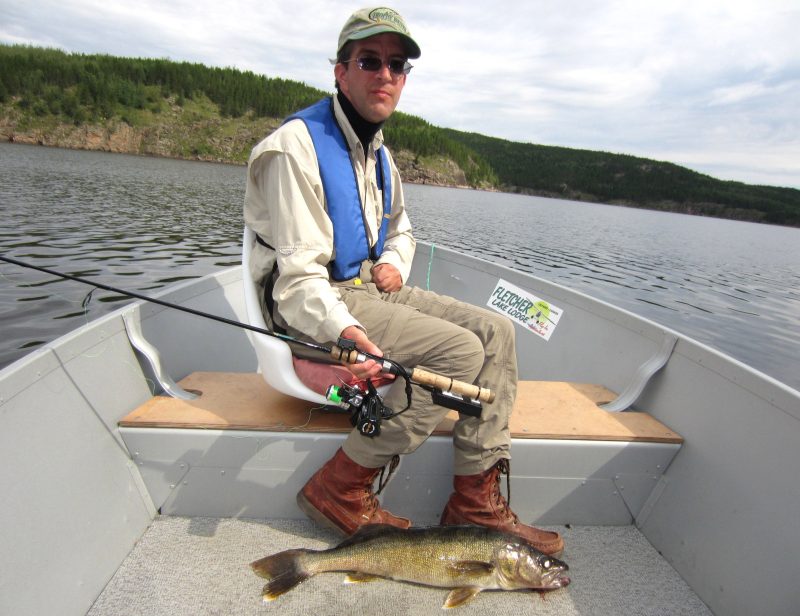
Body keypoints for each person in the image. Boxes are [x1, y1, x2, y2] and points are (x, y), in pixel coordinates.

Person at [243, 6, 563, 556]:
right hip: (318, 302)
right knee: (462, 354)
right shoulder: (294, 147)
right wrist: (343, 331)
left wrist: (394, 259)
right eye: (369, 60)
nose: (385, 74)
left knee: (498, 334)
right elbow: (296, 282)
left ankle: (475, 501)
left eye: (398, 64)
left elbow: (403, 231)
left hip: (371, 286)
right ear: (340, 71)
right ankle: (342, 484)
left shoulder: (380, 156)